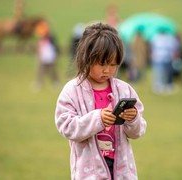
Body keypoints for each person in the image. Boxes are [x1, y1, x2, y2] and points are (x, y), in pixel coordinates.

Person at [55, 22, 147, 179]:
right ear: (86, 58)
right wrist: (97, 119)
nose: (108, 70)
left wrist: (133, 119)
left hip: (122, 172)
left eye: (113, 64)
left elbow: (138, 132)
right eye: (102, 64)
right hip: (89, 172)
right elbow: (66, 126)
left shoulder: (125, 90)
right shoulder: (72, 91)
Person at [32, 21, 60, 91]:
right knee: (40, 71)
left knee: (52, 72)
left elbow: (55, 48)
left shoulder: (51, 39)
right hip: (43, 58)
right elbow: (39, 48)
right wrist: (39, 55)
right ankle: (39, 84)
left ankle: (56, 83)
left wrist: (55, 56)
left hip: (51, 58)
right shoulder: (41, 40)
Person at [150, 27, 178, 94]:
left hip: (159, 58)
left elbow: (151, 47)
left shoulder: (155, 37)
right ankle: (161, 86)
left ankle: (159, 86)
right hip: (164, 57)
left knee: (159, 73)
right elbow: (173, 48)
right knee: (162, 73)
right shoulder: (169, 38)